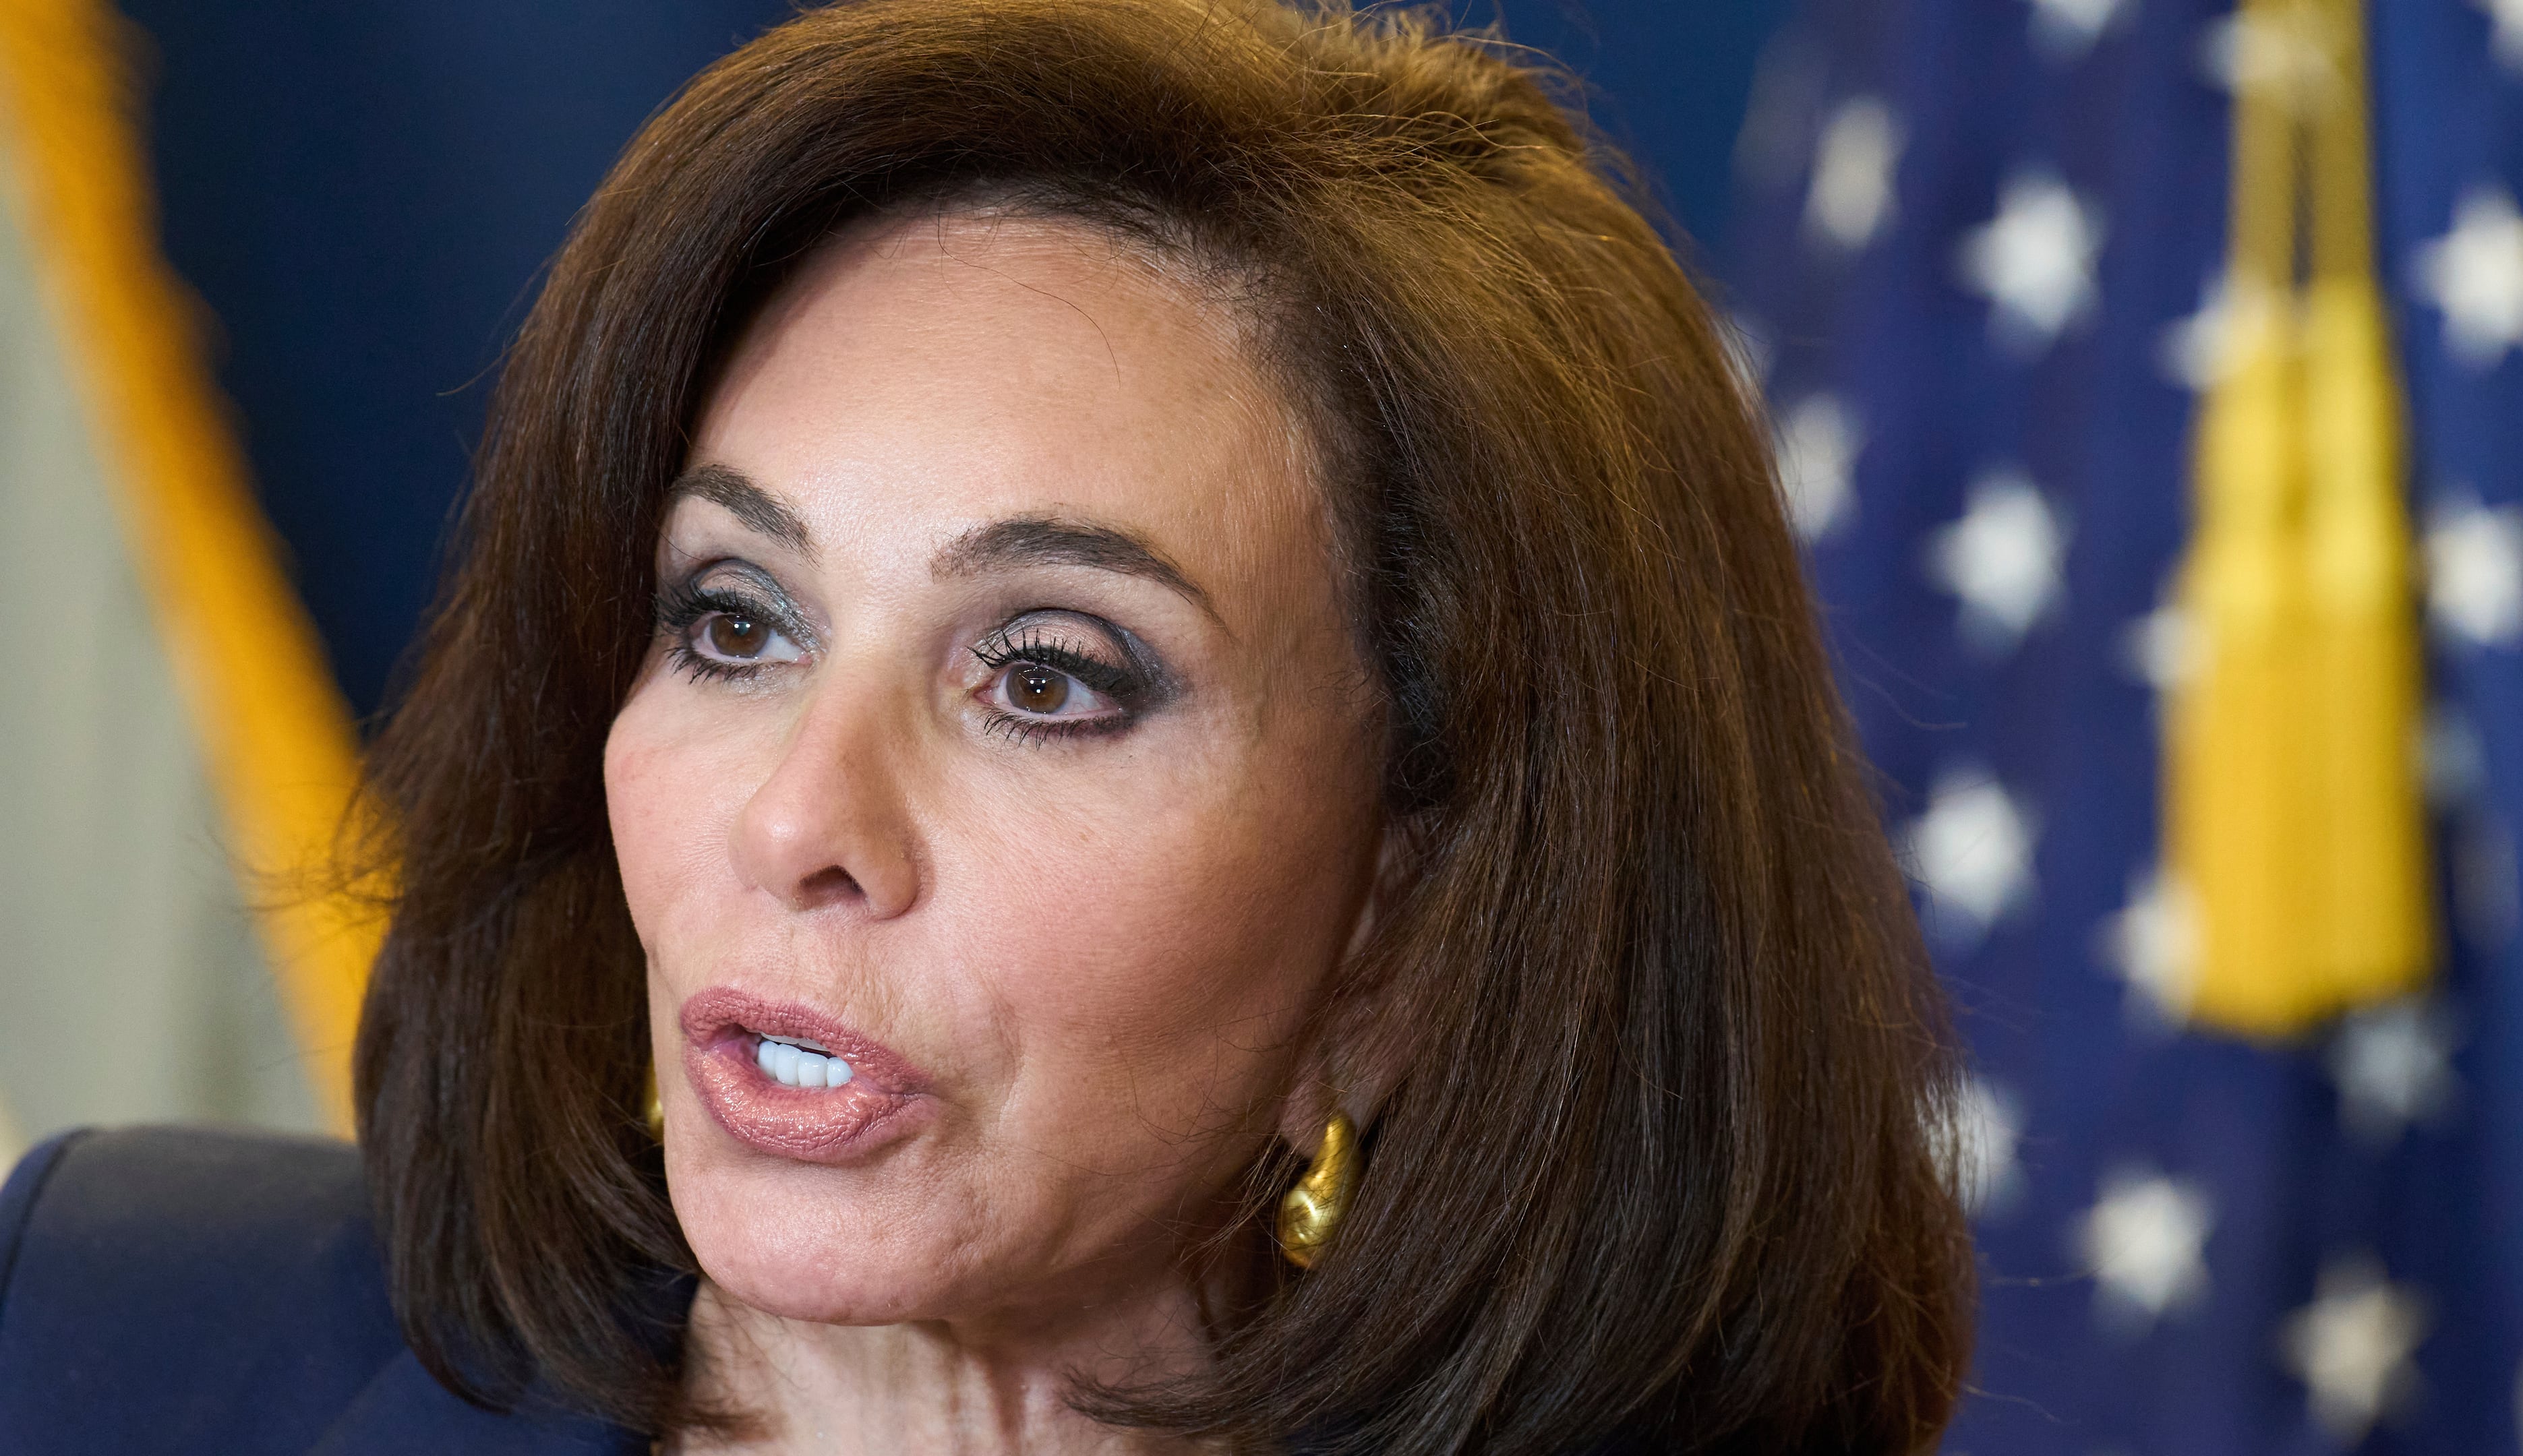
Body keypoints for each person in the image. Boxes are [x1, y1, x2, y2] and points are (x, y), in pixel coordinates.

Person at [0, 1, 1973, 1451]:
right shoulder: (91, 1340)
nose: (797, 820)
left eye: (1042, 677)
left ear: (1419, 918)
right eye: (734, 620)